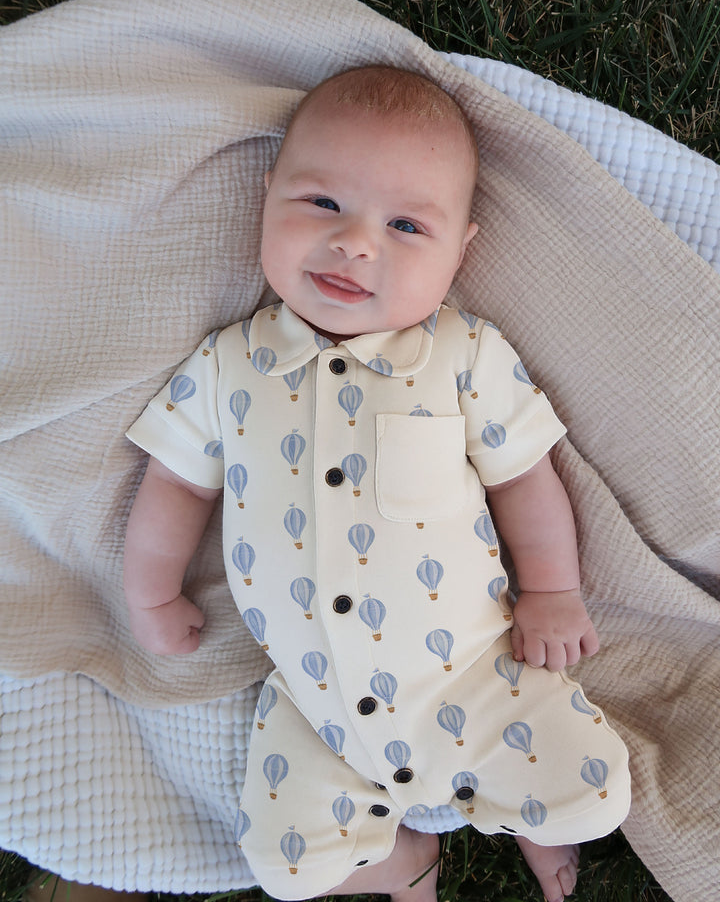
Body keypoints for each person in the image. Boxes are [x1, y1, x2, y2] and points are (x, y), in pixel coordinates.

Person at [124, 65, 631, 902]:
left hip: (471, 672)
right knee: (287, 869)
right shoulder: (228, 366)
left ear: (461, 250)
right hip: (315, 710)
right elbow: (175, 486)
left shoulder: (461, 353)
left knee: (595, 792)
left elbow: (523, 477)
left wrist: (553, 590)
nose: (356, 243)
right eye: (321, 204)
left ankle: (526, 821)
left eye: (405, 225)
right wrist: (150, 593)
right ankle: (405, 860)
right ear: (267, 195)